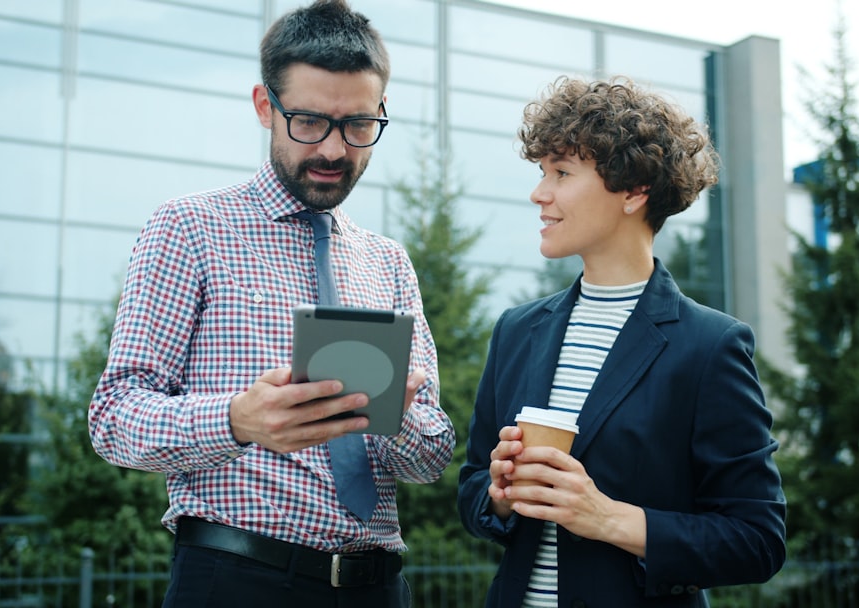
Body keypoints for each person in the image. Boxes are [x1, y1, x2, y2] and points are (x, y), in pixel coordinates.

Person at [88, 1, 455, 606]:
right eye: (310, 121)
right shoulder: (189, 228)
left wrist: (398, 414)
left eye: (359, 125)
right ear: (266, 107)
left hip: (377, 587)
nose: (335, 150)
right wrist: (238, 421)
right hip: (237, 579)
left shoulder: (389, 263)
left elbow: (430, 459)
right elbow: (114, 418)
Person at [456, 76, 787, 607]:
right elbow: (473, 485)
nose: (540, 193)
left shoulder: (710, 346)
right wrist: (497, 495)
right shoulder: (516, 330)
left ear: (635, 190)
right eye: (542, 173)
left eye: (561, 172)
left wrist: (608, 518)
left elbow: (757, 540)